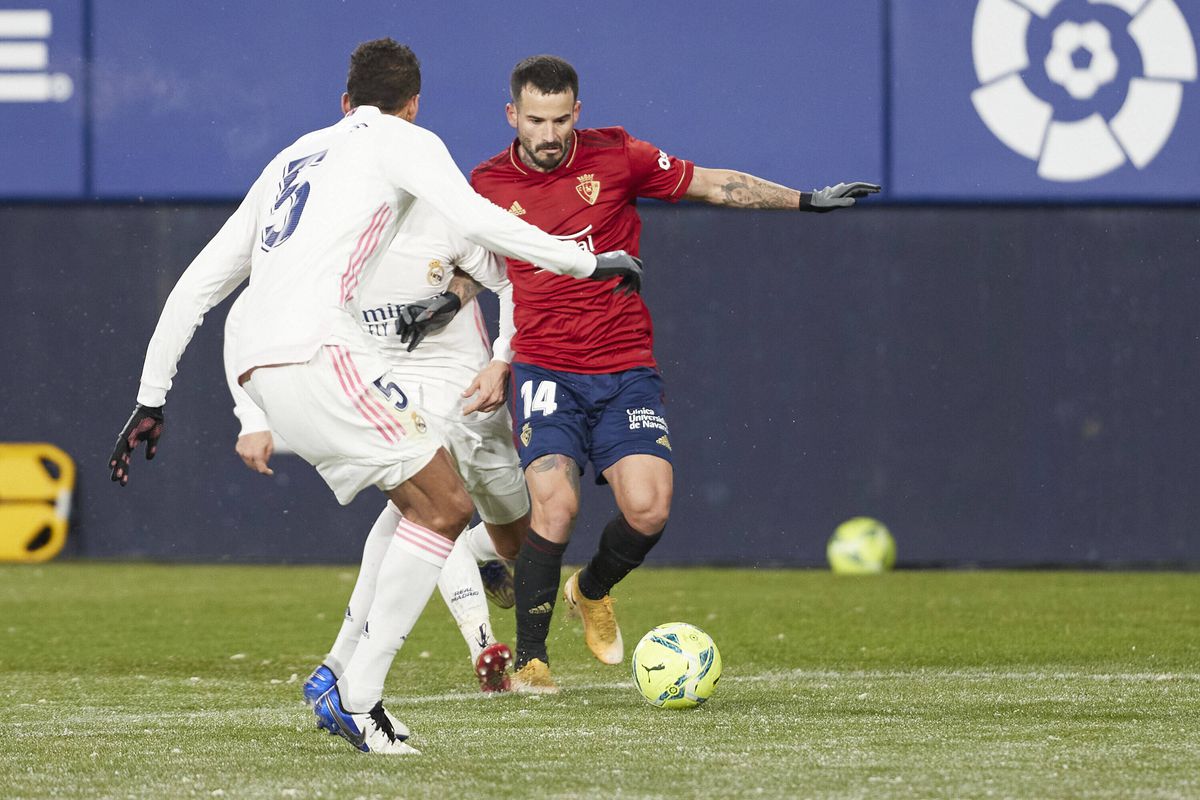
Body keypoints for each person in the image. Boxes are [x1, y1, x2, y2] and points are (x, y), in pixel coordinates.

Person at [107, 39, 644, 754]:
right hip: (323, 353)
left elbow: (197, 287)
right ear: (414, 104)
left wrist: (152, 397)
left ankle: (339, 674)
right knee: (448, 506)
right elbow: (483, 222)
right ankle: (359, 701)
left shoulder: (292, 157)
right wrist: (585, 260)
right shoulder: (404, 140)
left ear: (343, 100)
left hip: (258, 365)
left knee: (422, 500)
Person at [464, 55, 879, 693]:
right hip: (547, 366)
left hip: (624, 362)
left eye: (559, 120)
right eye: (534, 120)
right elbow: (467, 265)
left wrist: (804, 201)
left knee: (650, 508)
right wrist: (455, 317)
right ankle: (532, 659)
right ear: (512, 115)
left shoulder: (619, 156)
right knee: (556, 504)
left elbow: (715, 184)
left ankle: (591, 589)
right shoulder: (486, 184)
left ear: (578, 113)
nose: (547, 135)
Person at [221, 197, 529, 699]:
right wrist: (251, 416)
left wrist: (497, 354)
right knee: (426, 504)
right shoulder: (328, 224)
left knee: (521, 536)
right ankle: (468, 644)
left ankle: (480, 554)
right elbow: (244, 315)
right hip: (387, 381)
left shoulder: (441, 205)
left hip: (463, 378)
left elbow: (505, 275)